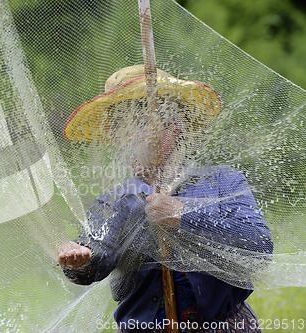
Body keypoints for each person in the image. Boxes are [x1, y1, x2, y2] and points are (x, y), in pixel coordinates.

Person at [58, 65, 273, 333]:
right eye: (122, 130)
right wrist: (82, 260)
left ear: (176, 126)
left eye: (143, 124)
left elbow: (259, 245)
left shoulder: (223, 182)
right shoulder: (117, 200)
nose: (132, 139)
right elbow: (98, 256)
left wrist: (184, 215)